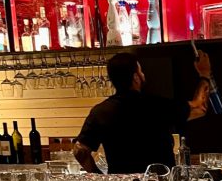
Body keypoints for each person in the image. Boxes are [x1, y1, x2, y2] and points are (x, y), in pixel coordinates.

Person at [74, 51, 212, 173]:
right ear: (135, 77)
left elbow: (80, 151)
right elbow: (199, 108)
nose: (143, 74)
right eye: (141, 71)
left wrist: (99, 177)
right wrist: (204, 74)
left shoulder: (100, 112)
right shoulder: (157, 106)